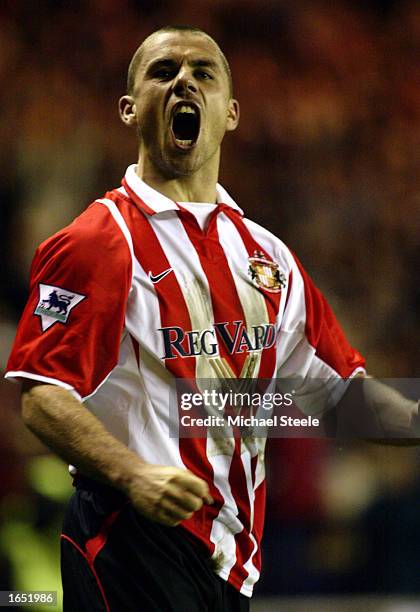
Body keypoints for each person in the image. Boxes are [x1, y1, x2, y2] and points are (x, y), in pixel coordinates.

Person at [5, 25, 419, 612]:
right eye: (163, 72)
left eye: (203, 73)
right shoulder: (96, 242)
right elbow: (43, 396)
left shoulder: (268, 257)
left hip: (231, 560)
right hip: (129, 539)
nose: (183, 82)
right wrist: (135, 476)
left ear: (231, 113)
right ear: (129, 109)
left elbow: (339, 398)